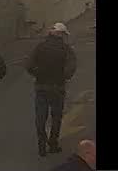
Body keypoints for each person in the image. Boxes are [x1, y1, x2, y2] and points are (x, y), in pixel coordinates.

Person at [26, 21, 78, 157]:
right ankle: (53, 143)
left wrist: (38, 74)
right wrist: (63, 76)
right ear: (60, 34)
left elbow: (29, 65)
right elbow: (71, 67)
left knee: (40, 117)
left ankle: (41, 146)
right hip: (58, 87)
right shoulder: (66, 49)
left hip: (41, 86)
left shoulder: (40, 47)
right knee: (56, 117)